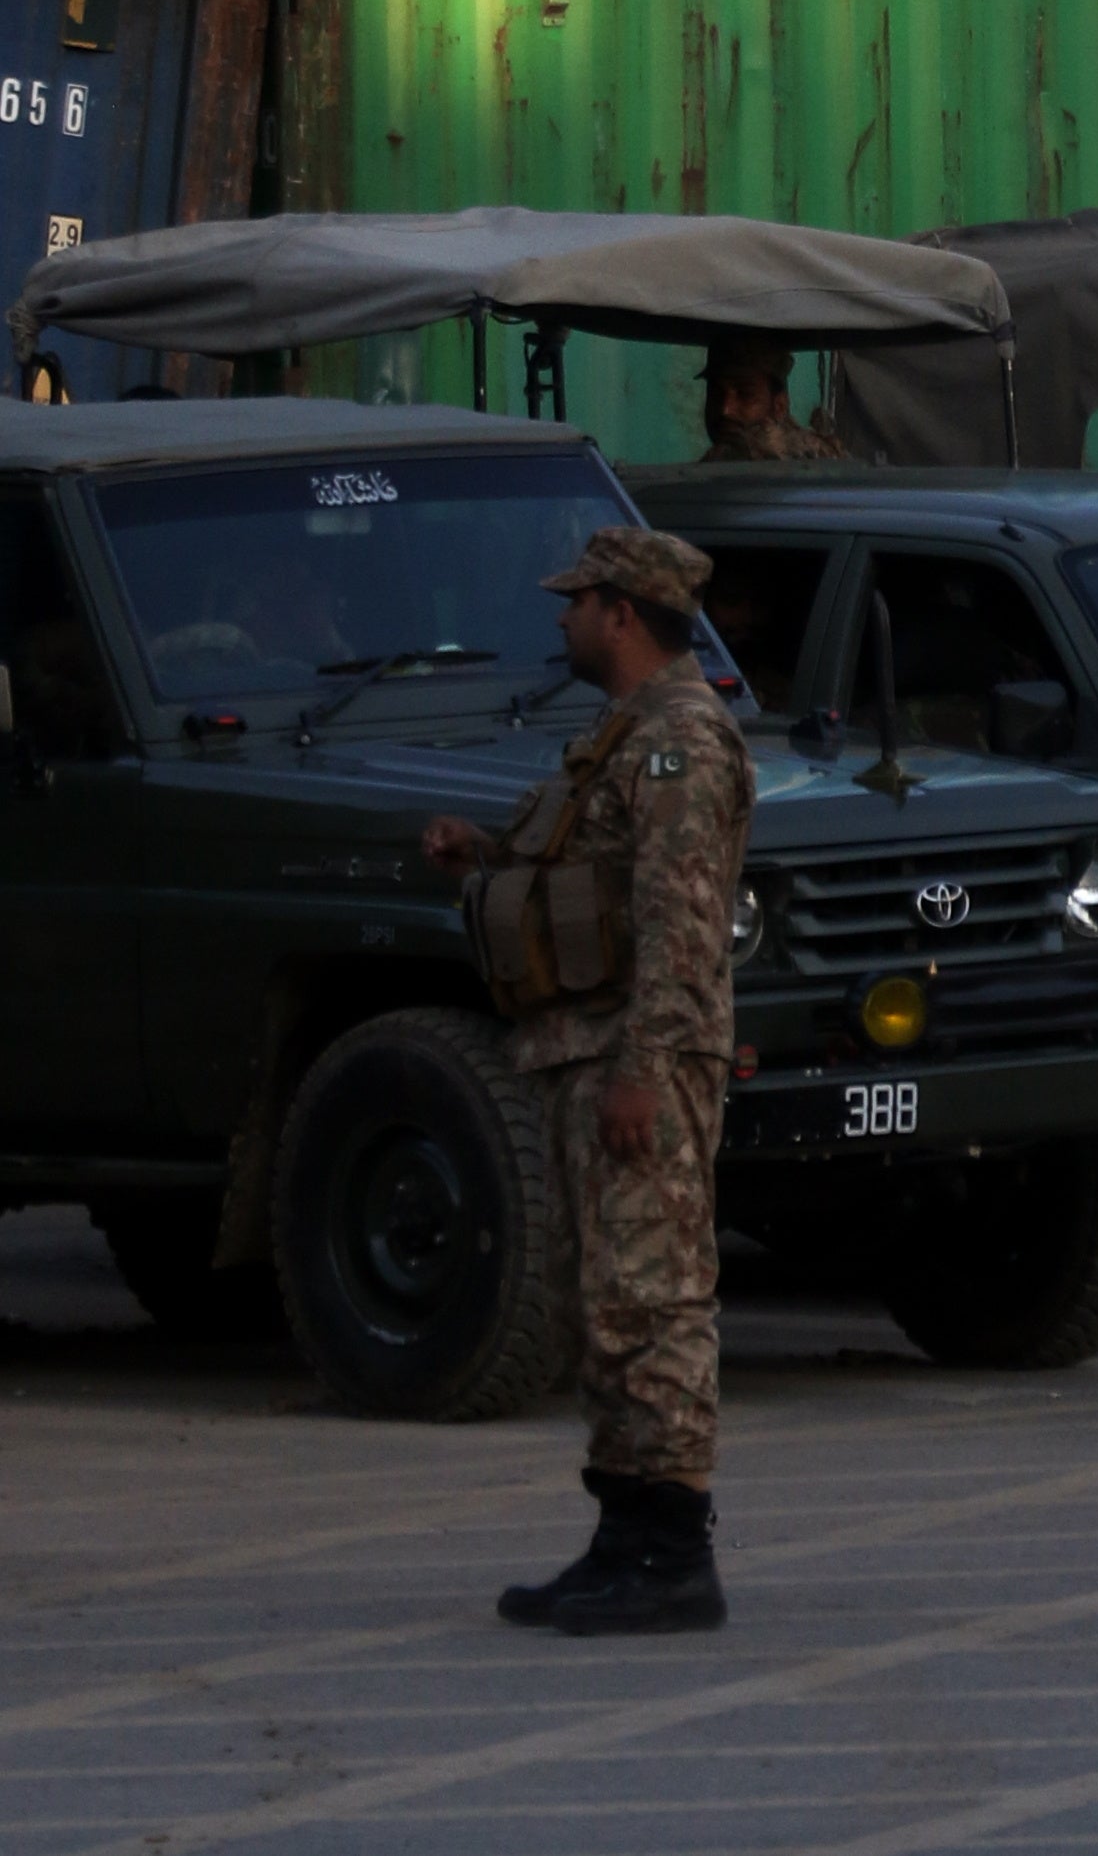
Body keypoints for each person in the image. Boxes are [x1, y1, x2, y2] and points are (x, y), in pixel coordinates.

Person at [420, 523, 753, 1635]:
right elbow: (593, 877)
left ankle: (672, 1554)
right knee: (601, 1299)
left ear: (620, 612)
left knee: (651, 1299)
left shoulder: (681, 740)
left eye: (576, 602)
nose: (560, 618)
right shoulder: (620, 736)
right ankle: (622, 1537)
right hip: (582, 1053)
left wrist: (646, 1067)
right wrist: (487, 857)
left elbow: (680, 919)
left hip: (632, 1059)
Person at [698, 345, 846, 465]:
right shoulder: (708, 473)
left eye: (746, 395)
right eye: (716, 393)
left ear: (779, 406)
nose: (725, 410)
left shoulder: (818, 465)